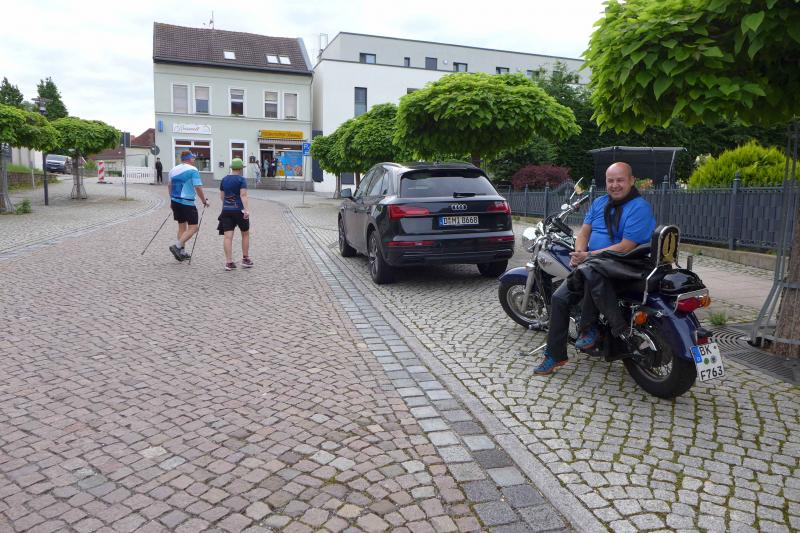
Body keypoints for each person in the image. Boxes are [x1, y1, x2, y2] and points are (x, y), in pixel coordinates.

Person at [534, 162, 657, 376]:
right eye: (611, 180)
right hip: (593, 264)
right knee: (559, 298)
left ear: (631, 181)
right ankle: (555, 354)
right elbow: (584, 233)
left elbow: (626, 247)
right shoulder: (599, 203)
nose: (615, 185)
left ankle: (592, 328)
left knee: (590, 272)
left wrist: (588, 257)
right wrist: (579, 253)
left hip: (625, 265)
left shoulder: (639, 207)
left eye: (620, 180)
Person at [168, 151, 210, 262]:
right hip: (187, 203)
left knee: (182, 227)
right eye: (192, 158)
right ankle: (177, 246)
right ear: (188, 158)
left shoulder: (173, 170)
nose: (194, 159)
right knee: (194, 228)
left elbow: (169, 186)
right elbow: (198, 187)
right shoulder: (193, 170)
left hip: (175, 202)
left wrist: (171, 200)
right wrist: (204, 201)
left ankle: (181, 252)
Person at [217, 158, 252, 271]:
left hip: (226, 210)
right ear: (240, 168)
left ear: (232, 168)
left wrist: (228, 205)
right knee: (245, 234)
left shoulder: (224, 179)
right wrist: (246, 210)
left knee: (228, 237)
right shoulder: (241, 180)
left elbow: (222, 197)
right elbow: (243, 195)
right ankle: (245, 259)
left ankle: (229, 262)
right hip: (239, 210)